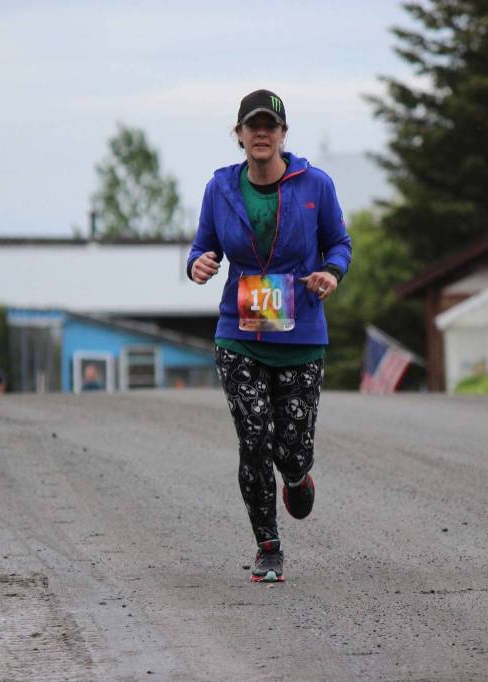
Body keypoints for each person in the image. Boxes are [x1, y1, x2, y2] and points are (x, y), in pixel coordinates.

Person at [187, 89, 351, 583]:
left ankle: (297, 476)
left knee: (291, 449)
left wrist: (331, 273)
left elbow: (338, 244)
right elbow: (202, 247)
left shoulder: (315, 185)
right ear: (238, 135)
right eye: (252, 126)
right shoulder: (220, 189)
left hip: (300, 333)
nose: (261, 133)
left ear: (283, 135)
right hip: (239, 335)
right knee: (253, 440)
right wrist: (198, 265)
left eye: (270, 126)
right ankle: (268, 547)